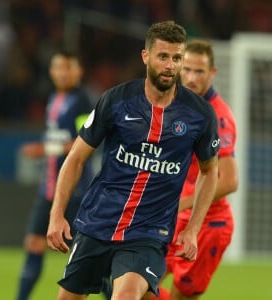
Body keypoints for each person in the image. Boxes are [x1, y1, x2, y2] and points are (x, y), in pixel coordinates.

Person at [47, 20, 220, 300]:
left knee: (125, 297)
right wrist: (57, 215)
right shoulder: (116, 100)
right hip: (97, 222)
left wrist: (192, 229)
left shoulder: (199, 114)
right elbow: (76, 158)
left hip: (149, 233)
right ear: (146, 57)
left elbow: (210, 171)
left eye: (177, 58)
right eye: (163, 56)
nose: (170, 66)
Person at [15, 50, 111, 300]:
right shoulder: (54, 99)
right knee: (34, 245)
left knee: (87, 257)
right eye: (58, 67)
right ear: (51, 71)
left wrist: (45, 149)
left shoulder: (82, 101)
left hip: (76, 190)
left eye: (68, 67)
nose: (63, 72)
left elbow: (85, 140)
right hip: (49, 189)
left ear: (79, 72)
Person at [147, 40, 238, 300]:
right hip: (176, 218)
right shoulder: (178, 104)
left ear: (212, 73)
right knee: (132, 284)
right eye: (186, 69)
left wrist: (181, 204)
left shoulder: (218, 117)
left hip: (208, 223)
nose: (191, 77)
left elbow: (230, 181)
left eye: (199, 71)